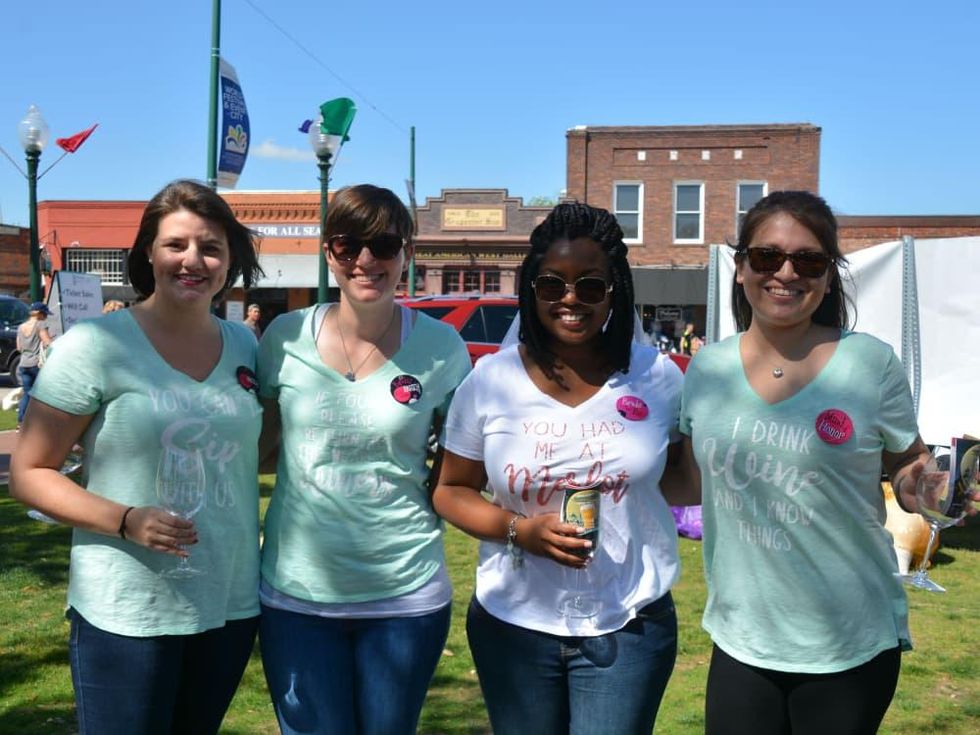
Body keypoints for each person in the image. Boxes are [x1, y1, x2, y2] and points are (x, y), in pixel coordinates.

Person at [675, 190, 969, 734]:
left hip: (848, 638)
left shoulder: (870, 363)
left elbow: (907, 463)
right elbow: (690, 480)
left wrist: (933, 488)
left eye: (808, 260)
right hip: (742, 636)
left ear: (829, 277)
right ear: (740, 269)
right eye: (766, 257)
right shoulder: (708, 369)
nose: (786, 272)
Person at [9, 179, 265, 734]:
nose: (192, 260)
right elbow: (29, 474)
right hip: (127, 608)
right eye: (176, 244)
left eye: (211, 247)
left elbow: (256, 454)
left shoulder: (246, 347)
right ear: (149, 251)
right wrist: (123, 520)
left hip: (227, 602)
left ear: (229, 262)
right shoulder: (95, 345)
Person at [433, 202, 684, 734]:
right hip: (514, 626)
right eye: (552, 285)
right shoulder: (490, 380)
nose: (570, 300)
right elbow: (451, 489)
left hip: (630, 622)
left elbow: (687, 476)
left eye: (590, 286)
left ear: (615, 289)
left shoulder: (658, 378)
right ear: (531, 290)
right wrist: (518, 530)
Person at [256, 184, 471, 735]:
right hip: (297, 593)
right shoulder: (284, 337)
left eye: (385, 244)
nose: (366, 260)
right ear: (328, 252)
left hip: (405, 591)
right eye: (349, 245)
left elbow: (465, 462)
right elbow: (254, 445)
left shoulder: (442, 347)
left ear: (406, 254)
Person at [15, 301, 53, 429]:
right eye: (45, 314)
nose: (46, 317)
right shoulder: (40, 325)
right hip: (37, 363)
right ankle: (42, 423)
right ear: (40, 314)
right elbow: (47, 342)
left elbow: (19, 347)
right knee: (43, 394)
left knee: (27, 393)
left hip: (24, 363)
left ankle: (21, 422)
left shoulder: (21, 327)